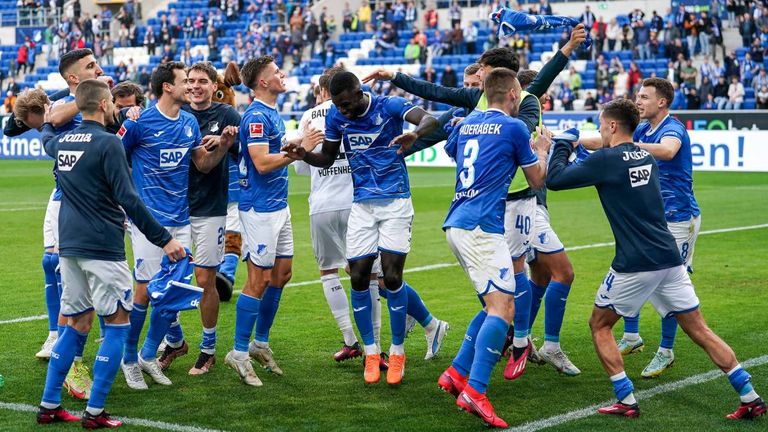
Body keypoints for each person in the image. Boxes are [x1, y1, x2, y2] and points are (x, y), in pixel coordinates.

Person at [361, 26, 587, 378]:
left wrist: (567, 49)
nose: (475, 75)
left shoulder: (520, 103)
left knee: (517, 283)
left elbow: (539, 86)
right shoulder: (477, 103)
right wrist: (397, 86)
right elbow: (435, 99)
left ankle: (517, 344)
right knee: (504, 290)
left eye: (480, 69)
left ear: (498, 75)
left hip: (518, 202)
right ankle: (505, 349)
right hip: (493, 207)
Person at [547, 98, 766, 421]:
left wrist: (563, 144)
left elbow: (555, 180)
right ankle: (750, 395)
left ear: (611, 125)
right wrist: (580, 152)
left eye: (600, 124)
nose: (599, 130)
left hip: (635, 262)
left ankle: (626, 398)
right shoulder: (644, 156)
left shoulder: (607, 159)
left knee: (600, 325)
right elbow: (604, 168)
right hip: (669, 258)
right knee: (700, 330)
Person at [36, 78, 186, 429]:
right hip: (103, 247)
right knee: (117, 325)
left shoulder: (63, 141)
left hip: (69, 247)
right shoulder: (107, 144)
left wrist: (46, 120)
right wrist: (164, 239)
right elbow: (129, 199)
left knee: (75, 323)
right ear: (105, 105)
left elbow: (46, 140)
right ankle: (95, 412)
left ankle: (48, 405)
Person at [282, 71, 439, 386]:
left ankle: (396, 352)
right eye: (337, 105)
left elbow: (430, 119)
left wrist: (415, 134)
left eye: (345, 104)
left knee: (392, 278)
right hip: (362, 205)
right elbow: (326, 158)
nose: (342, 111)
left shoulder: (388, 105)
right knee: (357, 277)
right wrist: (304, 155)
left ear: (358, 92)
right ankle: (370, 351)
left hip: (395, 202)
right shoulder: (337, 119)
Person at [438, 68, 550, 428]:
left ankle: (456, 373)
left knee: (493, 304)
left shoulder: (469, 121)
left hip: (457, 221)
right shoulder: (516, 127)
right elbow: (536, 180)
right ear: (514, 95)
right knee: (504, 308)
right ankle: (476, 391)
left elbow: (454, 151)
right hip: (481, 227)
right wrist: (543, 150)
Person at [119, 61, 233, 390]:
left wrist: (223, 146)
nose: (189, 86)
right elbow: (113, 157)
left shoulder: (187, 123)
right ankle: (129, 360)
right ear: (168, 87)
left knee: (173, 295)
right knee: (144, 290)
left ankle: (147, 355)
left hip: (181, 221)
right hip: (148, 222)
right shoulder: (140, 123)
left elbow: (202, 164)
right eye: (184, 81)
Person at [580, 78, 702, 377]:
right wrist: (569, 139)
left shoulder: (671, 128)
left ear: (662, 102)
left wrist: (630, 145)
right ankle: (632, 337)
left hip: (679, 217)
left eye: (644, 96)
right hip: (654, 216)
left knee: (670, 283)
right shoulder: (644, 129)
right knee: (638, 270)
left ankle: (666, 350)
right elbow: (607, 142)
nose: (638, 101)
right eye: (637, 95)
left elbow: (669, 151)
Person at [224, 55, 322, 387]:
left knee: (282, 274)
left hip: (278, 205)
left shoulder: (271, 112)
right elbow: (262, 163)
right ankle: (238, 352)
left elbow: (271, 153)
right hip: (260, 208)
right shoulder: (254, 115)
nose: (282, 74)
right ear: (263, 82)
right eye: (276, 72)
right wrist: (301, 149)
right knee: (258, 280)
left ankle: (259, 343)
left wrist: (295, 144)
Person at [42, 48, 109, 401]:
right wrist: (97, 95)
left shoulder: (102, 101)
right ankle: (71, 358)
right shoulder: (61, 106)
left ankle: (90, 350)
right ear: (73, 78)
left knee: (102, 284)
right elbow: (49, 117)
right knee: (66, 278)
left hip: (102, 202)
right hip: (67, 201)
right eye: (90, 66)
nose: (98, 68)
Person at [173, 61, 242, 375]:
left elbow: (244, 149)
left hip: (211, 208)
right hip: (175, 207)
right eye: (190, 81)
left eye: (202, 81)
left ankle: (208, 349)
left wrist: (230, 139)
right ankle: (174, 342)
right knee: (168, 282)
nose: (195, 86)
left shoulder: (226, 114)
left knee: (204, 281)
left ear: (214, 86)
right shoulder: (177, 114)